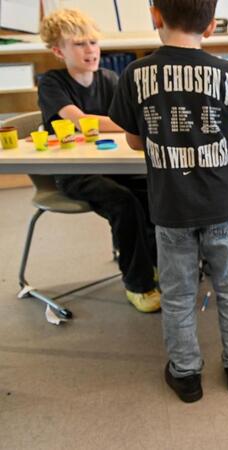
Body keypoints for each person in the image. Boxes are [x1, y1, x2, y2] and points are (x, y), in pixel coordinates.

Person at [109, 0, 228, 402]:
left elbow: (134, 141)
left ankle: (185, 375)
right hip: (224, 207)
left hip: (171, 209)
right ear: (212, 25)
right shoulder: (227, 73)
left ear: (156, 15)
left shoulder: (134, 74)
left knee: (178, 294)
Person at [38, 9, 160, 312]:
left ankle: (153, 265)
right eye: (79, 44)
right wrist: (126, 123)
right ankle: (139, 284)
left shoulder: (109, 78)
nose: (90, 49)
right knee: (123, 203)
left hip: (111, 166)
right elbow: (81, 122)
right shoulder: (52, 83)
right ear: (58, 51)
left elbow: (128, 118)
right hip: (74, 172)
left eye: (93, 42)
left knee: (153, 190)